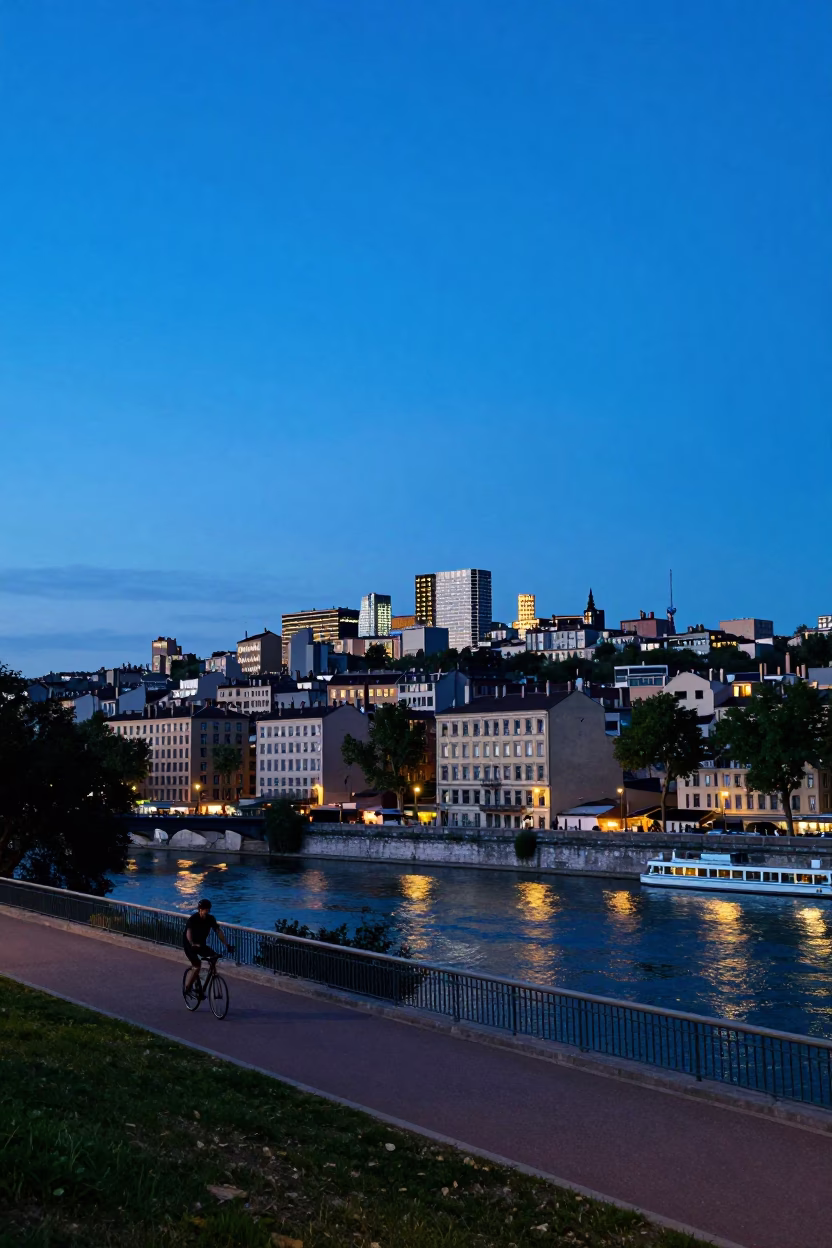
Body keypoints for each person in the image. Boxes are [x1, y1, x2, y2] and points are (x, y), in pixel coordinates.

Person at [183, 899, 233, 995]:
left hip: (201, 944)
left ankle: (212, 976)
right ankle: (187, 988)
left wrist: (227, 945)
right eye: (204, 910)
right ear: (199, 910)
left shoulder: (210, 919)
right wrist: (192, 943)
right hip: (190, 945)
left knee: (214, 957)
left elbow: (218, 931)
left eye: (207, 910)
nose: (206, 912)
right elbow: (188, 932)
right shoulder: (193, 919)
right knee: (197, 965)